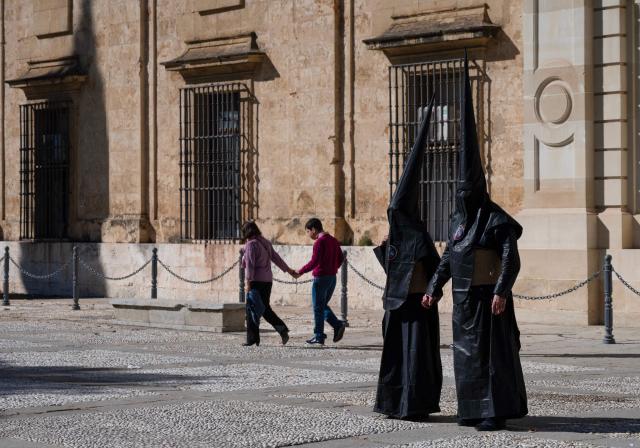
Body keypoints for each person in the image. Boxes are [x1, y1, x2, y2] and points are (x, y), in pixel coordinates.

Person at [422, 53, 528, 431]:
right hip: (463, 305)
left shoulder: (495, 218)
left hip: (488, 302)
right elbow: (449, 257)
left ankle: (492, 413)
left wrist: (502, 290)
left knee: (491, 360)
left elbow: (509, 256)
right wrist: (434, 288)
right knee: (466, 359)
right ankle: (471, 410)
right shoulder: (458, 221)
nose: (463, 198)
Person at [372, 94, 443, 421]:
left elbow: (437, 267)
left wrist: (431, 292)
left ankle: (414, 405)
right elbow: (390, 269)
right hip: (395, 305)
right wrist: (384, 245)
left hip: (417, 306)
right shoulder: (398, 236)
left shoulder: (418, 235)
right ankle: (392, 403)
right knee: (395, 359)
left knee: (416, 359)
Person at [241, 221, 296, 347]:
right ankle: (259, 337)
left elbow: (250, 265)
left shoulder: (251, 244)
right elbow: (276, 258)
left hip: (256, 281)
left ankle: (255, 338)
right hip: (267, 281)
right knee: (263, 308)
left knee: (253, 309)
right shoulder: (264, 242)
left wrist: (248, 282)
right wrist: (288, 270)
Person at [294, 218, 346, 345]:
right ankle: (336, 326)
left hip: (321, 278)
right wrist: (333, 268)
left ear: (314, 229)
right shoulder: (333, 240)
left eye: (308, 231)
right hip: (332, 278)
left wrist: (300, 271)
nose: (308, 234)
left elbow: (314, 262)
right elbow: (341, 258)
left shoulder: (319, 242)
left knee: (318, 308)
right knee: (322, 306)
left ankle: (320, 335)